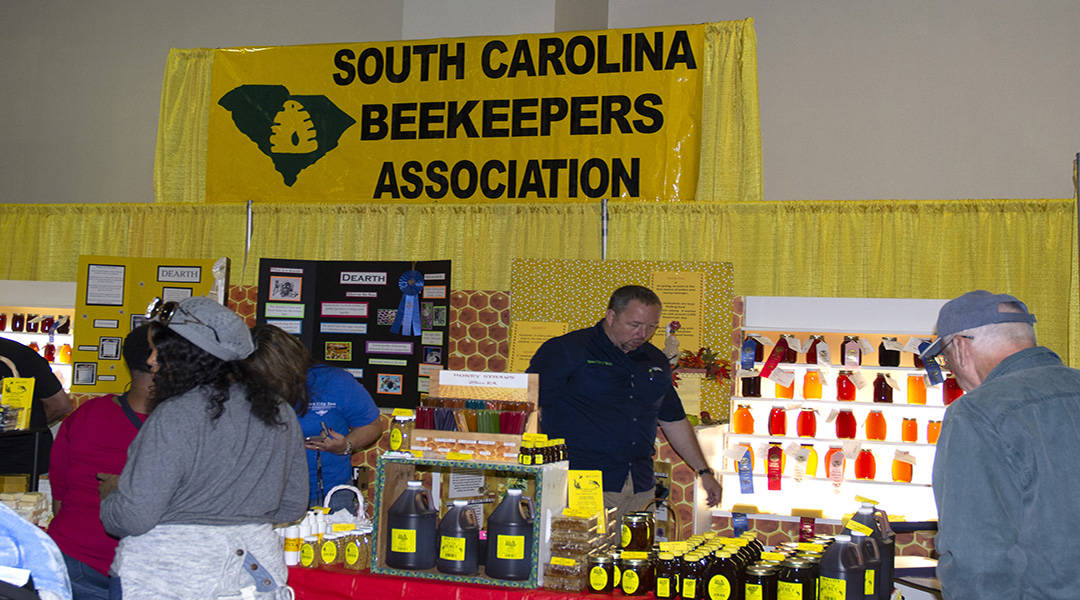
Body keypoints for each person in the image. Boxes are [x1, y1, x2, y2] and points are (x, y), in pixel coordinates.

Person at [99, 297, 308, 600]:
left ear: (184, 355)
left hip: (170, 577)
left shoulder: (175, 414)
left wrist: (111, 498)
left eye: (159, 350)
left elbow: (135, 517)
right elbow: (292, 505)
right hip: (254, 574)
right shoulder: (279, 411)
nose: (151, 361)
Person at [921, 290, 1080, 599]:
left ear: (961, 348)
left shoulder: (976, 414)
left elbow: (976, 561)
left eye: (946, 359)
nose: (951, 369)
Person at [527, 285, 722, 526]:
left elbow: (673, 419)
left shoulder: (654, 359)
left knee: (634, 559)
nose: (643, 333)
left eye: (651, 327)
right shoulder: (566, 350)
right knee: (580, 560)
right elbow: (529, 406)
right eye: (635, 325)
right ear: (611, 316)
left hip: (639, 485)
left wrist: (704, 472)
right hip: (581, 482)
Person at [49, 325, 153, 600]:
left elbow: (59, 496)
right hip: (142, 569)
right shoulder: (181, 428)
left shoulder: (86, 414)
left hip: (73, 557)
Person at [249, 324, 382, 506]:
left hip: (328, 495)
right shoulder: (241, 386)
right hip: (264, 495)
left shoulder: (335, 381)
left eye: (271, 375)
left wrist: (346, 445)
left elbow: (372, 425)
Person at [0, 336, 72, 478]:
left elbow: (61, 405)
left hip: (21, 462)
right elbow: (60, 405)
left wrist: (28, 424)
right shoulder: (20, 353)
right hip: (26, 460)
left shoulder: (17, 355)